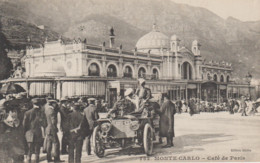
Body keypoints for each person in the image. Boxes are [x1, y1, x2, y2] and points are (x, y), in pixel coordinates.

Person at [23, 98, 46, 163]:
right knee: (37, 151)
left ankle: (28, 161)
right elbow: (44, 124)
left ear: (33, 104)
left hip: (29, 133)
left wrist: (24, 133)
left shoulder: (27, 112)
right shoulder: (41, 112)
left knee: (29, 151)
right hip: (38, 132)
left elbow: (24, 124)